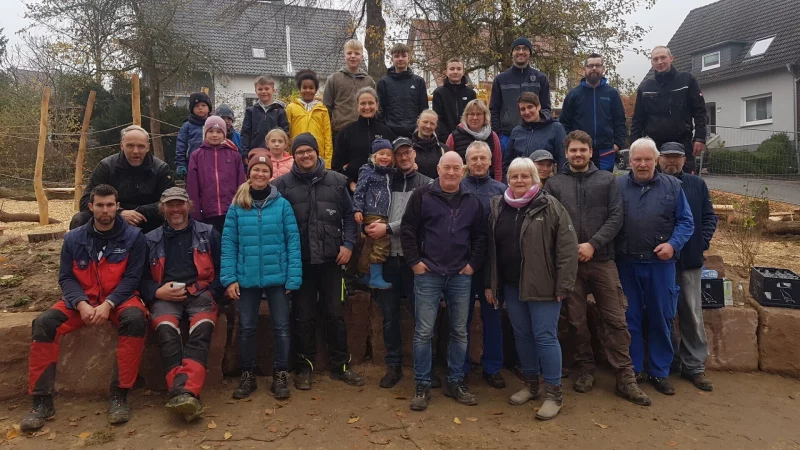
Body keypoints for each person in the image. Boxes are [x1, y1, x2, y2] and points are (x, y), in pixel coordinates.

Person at [21, 184, 148, 432]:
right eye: (99, 205)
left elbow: (133, 278)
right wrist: (80, 303)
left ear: (117, 206)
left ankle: (119, 394)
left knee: (135, 319)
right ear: (90, 207)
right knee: (44, 324)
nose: (105, 210)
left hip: (119, 299)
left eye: (110, 205)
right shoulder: (73, 238)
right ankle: (41, 401)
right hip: (80, 301)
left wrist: (108, 303)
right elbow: (66, 277)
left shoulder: (134, 237)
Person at [545, 130, 651, 406]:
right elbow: (550, 222)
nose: (578, 154)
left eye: (583, 150)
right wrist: (571, 249)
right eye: (573, 150)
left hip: (602, 260)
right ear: (565, 154)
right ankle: (585, 368)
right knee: (577, 320)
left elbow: (617, 217)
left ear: (591, 152)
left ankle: (624, 375)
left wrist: (592, 244)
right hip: (570, 265)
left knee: (615, 318)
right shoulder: (555, 184)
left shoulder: (607, 181)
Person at [484, 157, 578, 420]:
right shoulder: (499, 206)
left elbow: (568, 249)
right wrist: (492, 284)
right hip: (512, 285)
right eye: (514, 176)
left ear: (535, 178)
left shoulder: (550, 206)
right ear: (508, 179)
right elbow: (493, 250)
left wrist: (564, 284)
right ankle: (531, 385)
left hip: (544, 286)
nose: (519, 181)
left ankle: (553, 394)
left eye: (525, 176)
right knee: (522, 336)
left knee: (545, 337)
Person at [273, 133, 364, 389]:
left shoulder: (336, 181)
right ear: (295, 155)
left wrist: (348, 245)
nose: (305, 155)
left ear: (316, 152)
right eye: (300, 151)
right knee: (303, 316)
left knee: (335, 314)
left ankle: (341, 366)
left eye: (309, 151)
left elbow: (349, 216)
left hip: (331, 260)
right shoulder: (282, 185)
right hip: (300, 262)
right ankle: (304, 368)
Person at [401, 152, 487, 411]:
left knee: (459, 331)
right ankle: (422, 384)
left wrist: (473, 264)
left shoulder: (472, 200)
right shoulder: (421, 196)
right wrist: (415, 262)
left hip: (460, 274)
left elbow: (481, 236)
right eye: (446, 167)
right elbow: (407, 230)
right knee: (424, 332)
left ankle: (456, 381)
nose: (451, 172)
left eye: (456, 168)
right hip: (428, 273)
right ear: (438, 169)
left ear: (463, 171)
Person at [221, 151, 302, 400]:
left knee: (282, 327)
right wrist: (229, 278)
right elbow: (228, 244)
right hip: (246, 277)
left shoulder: (282, 205)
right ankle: (248, 375)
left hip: (277, 276)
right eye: (256, 170)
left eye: (265, 171)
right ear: (249, 173)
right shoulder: (237, 206)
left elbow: (293, 242)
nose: (260, 174)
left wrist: (293, 276)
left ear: (270, 175)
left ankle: (280, 374)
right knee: (246, 328)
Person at [617, 137, 694, 396]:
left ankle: (660, 372)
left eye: (647, 159)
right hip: (627, 263)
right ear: (629, 162)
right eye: (637, 159)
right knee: (631, 319)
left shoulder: (673, 186)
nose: (642, 164)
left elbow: (686, 222)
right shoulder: (617, 186)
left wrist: (673, 245)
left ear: (656, 160)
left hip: (661, 265)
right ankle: (635, 368)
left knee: (662, 317)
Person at [139, 187, 223, 421]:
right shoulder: (149, 239)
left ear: (189, 205)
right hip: (166, 295)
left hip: (200, 292)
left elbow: (223, 269)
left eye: (180, 204)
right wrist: (157, 291)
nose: (175, 209)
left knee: (203, 328)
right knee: (166, 330)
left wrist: (212, 293)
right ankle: (186, 393)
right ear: (162, 208)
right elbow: (139, 278)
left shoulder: (208, 233)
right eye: (170, 205)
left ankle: (182, 392)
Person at [370, 137, 433, 388]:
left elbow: (421, 221)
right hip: (387, 259)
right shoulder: (386, 181)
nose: (404, 157)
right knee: (389, 316)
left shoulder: (428, 183)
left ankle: (425, 367)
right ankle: (393, 365)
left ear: (414, 154)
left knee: (423, 317)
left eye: (407, 153)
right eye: (399, 154)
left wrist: (388, 228)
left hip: (414, 260)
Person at [658, 142, 717, 392]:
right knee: (663, 314)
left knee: (692, 313)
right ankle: (667, 362)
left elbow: (709, 216)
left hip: (689, 260)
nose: (672, 162)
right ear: (659, 159)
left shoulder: (697, 185)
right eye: (667, 158)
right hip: (659, 261)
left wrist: (702, 241)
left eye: (677, 158)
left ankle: (694, 365)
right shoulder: (653, 183)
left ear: (685, 160)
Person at [459, 141, 507, 388]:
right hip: (462, 266)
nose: (478, 162)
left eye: (482, 158)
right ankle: (461, 366)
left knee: (493, 318)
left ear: (490, 161)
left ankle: (493, 367)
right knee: (461, 319)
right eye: (474, 158)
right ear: (467, 161)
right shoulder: (457, 186)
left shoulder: (501, 190)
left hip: (491, 267)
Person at [70, 125, 174, 234]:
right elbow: (86, 202)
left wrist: (139, 212)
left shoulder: (161, 168)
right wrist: (119, 212)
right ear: (121, 145)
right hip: (112, 219)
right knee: (80, 219)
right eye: (130, 146)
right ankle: (79, 249)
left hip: (147, 220)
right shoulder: (106, 166)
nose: (135, 151)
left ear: (148, 147)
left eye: (141, 146)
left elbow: (170, 201)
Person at [630, 46, 707, 174]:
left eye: (663, 58)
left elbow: (700, 111)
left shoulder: (687, 80)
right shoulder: (645, 86)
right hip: (654, 145)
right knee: (654, 185)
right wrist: (634, 144)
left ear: (671, 58)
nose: (659, 62)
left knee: (685, 183)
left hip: (682, 142)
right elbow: (638, 119)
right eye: (655, 59)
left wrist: (700, 138)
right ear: (652, 62)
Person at [559, 53, 627, 172]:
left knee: (604, 186)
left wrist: (617, 144)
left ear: (603, 69)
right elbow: (564, 122)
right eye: (590, 66)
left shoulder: (612, 93)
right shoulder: (574, 94)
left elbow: (620, 121)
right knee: (580, 185)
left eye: (597, 65)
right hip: (580, 150)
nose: (594, 68)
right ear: (584, 69)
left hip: (605, 151)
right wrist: (570, 144)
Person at [489, 37, 552, 155]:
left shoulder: (541, 78)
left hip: (535, 135)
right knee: (508, 171)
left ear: (530, 54)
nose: (521, 52)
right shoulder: (501, 79)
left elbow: (546, 109)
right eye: (517, 49)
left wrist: (542, 130)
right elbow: (494, 109)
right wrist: (499, 135)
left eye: (525, 49)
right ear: (512, 53)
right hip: (507, 137)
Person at [186, 116, 246, 232]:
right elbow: (192, 187)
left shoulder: (234, 155)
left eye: (219, 132)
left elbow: (241, 184)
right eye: (211, 131)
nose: (214, 135)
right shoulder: (197, 156)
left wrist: (241, 208)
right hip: (207, 212)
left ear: (224, 134)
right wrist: (195, 213)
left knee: (229, 243)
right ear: (205, 133)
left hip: (231, 210)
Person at [332, 87, 395, 190]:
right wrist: (350, 183)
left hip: (381, 191)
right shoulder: (346, 132)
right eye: (363, 103)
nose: (367, 107)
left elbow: (394, 163)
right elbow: (336, 166)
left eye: (370, 103)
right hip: (353, 191)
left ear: (377, 105)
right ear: (357, 106)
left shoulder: (387, 132)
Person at [353, 138, 395, 289]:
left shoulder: (390, 173)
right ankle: (376, 277)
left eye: (388, 154)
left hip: (385, 212)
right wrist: (357, 208)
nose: (384, 157)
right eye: (381, 154)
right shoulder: (367, 170)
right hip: (372, 211)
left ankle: (365, 274)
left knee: (370, 243)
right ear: (374, 156)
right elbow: (359, 190)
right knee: (383, 241)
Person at [323, 39, 376, 151]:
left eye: (357, 53)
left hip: (363, 130)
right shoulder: (334, 79)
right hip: (339, 130)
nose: (353, 56)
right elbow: (327, 108)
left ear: (362, 57)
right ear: (344, 56)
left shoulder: (369, 81)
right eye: (349, 53)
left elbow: (375, 107)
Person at [503, 92, 566, 176]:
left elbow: (563, 159)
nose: (527, 112)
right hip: (521, 181)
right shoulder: (516, 132)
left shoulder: (556, 128)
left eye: (530, 107)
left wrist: (558, 184)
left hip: (547, 182)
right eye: (523, 109)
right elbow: (507, 162)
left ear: (538, 106)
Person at [377, 43, 429, 138]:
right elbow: (380, 110)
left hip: (415, 133)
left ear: (409, 58)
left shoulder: (419, 82)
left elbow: (424, 109)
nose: (400, 58)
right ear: (392, 58)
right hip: (390, 132)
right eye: (397, 56)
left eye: (404, 56)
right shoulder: (383, 83)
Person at [445, 99, 503, 181]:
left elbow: (497, 167)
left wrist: (497, 185)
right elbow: (447, 164)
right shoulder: (453, 137)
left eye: (478, 114)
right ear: (466, 116)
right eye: (471, 114)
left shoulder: (493, 136)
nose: (475, 117)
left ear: (484, 116)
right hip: (460, 185)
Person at [286, 69, 334, 168]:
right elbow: (286, 134)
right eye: (304, 87)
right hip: (296, 156)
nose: (308, 90)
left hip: (318, 158)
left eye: (311, 88)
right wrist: (287, 157)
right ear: (299, 89)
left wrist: (327, 163)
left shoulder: (322, 109)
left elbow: (328, 137)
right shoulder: (291, 108)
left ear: (316, 90)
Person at [241, 75, 289, 154]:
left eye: (267, 88)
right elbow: (245, 133)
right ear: (256, 91)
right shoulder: (250, 111)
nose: (263, 91)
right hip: (255, 151)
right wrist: (245, 153)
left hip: (275, 153)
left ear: (273, 90)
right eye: (260, 89)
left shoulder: (280, 111)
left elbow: (285, 133)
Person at [432, 57, 476, 142]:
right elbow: (438, 118)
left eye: (459, 69)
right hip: (445, 139)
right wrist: (447, 137)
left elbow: (472, 117)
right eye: (452, 69)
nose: (455, 72)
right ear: (446, 72)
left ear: (463, 71)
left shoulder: (471, 94)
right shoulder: (439, 93)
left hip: (467, 137)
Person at [176, 92, 212, 178]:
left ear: (209, 108)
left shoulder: (213, 123)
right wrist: (181, 164)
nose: (200, 108)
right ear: (192, 109)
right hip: (193, 164)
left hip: (212, 163)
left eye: (203, 105)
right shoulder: (187, 126)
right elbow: (181, 145)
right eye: (196, 106)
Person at [411, 109, 448, 179]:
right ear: (418, 122)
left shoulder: (443, 149)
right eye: (425, 122)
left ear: (436, 126)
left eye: (432, 123)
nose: (428, 126)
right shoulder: (408, 148)